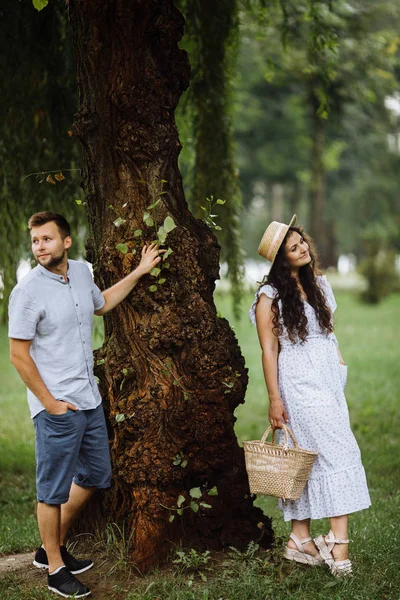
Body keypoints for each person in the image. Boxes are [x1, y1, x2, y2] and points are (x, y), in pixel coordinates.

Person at [8, 211, 164, 598]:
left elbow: (102, 303)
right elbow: (18, 355)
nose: (39, 247)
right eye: (35, 241)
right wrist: (49, 403)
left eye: (46, 239)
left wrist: (141, 271)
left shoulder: (80, 273)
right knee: (52, 491)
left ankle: (49, 549)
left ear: (66, 241)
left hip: (89, 399)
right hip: (57, 406)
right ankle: (56, 570)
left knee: (96, 474)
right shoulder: (26, 292)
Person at [249, 215, 371, 577]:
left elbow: (329, 334)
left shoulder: (319, 285)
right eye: (293, 247)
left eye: (302, 242)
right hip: (299, 383)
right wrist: (274, 399)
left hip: (329, 381)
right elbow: (269, 351)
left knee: (308, 456)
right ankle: (339, 546)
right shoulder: (268, 297)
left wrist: (339, 364)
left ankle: (300, 540)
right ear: (281, 260)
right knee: (339, 451)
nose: (302, 248)